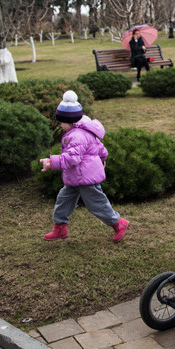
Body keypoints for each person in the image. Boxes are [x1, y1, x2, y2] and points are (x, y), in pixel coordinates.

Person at [40, 91, 130, 243]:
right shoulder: (83, 131)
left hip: (86, 178)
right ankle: (60, 227)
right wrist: (102, 157)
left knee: (96, 204)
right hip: (75, 178)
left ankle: (118, 223)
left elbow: (72, 158)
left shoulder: (77, 136)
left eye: (61, 122)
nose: (60, 126)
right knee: (63, 199)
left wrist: (51, 162)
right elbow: (99, 146)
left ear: (69, 122)